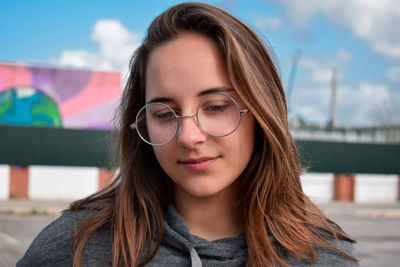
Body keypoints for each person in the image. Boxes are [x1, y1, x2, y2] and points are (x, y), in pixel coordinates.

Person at [17, 2, 358, 267]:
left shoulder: (323, 257)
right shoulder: (75, 245)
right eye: (164, 113)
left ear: (261, 112)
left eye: (216, 106)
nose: (189, 136)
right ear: (142, 122)